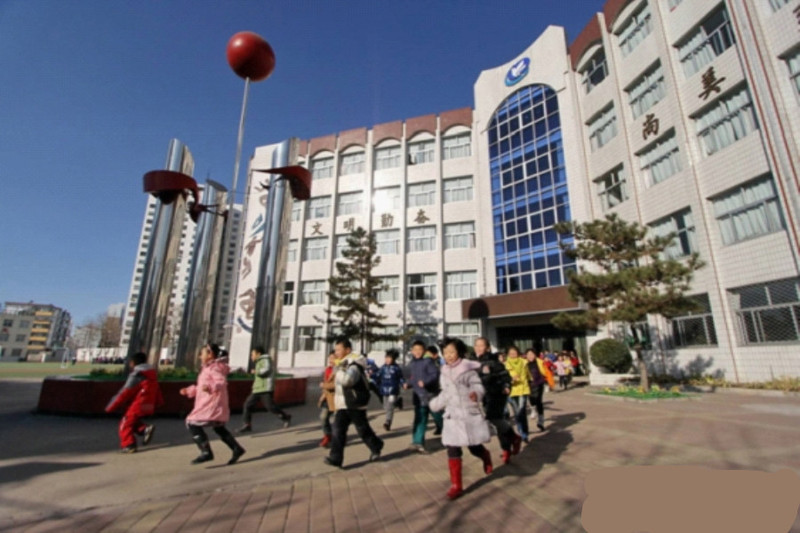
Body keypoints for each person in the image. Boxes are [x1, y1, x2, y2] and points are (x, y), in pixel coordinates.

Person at [430, 337, 493, 500]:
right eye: (446, 353)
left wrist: (476, 394)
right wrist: (436, 404)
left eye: (452, 352)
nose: (449, 355)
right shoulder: (444, 371)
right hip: (452, 416)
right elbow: (446, 392)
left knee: (474, 448)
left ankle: (485, 456)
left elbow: (477, 386)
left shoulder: (467, 369)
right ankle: (456, 485)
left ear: (459, 352)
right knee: (452, 448)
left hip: (467, 414)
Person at [180, 344, 245, 465]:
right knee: (218, 427)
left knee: (191, 422)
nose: (200, 356)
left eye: (202, 353)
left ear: (210, 355)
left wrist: (210, 387)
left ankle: (206, 452)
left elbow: (221, 382)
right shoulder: (208, 369)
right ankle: (236, 448)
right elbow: (202, 387)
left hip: (211, 404)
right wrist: (189, 391)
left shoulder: (214, 368)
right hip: (211, 402)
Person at [324, 338, 384, 468]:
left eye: (339, 349)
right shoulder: (341, 364)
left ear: (348, 350)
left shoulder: (354, 365)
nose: (336, 352)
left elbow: (347, 381)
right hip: (343, 404)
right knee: (337, 430)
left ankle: (376, 445)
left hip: (355, 404)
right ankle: (335, 458)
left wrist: (339, 369)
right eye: (335, 350)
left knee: (362, 430)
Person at [474, 337, 520, 464]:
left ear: (488, 348)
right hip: (483, 396)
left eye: (481, 345)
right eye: (476, 345)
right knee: (495, 421)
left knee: (495, 419)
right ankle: (510, 443)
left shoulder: (494, 361)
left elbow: (505, 376)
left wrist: (506, 386)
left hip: (496, 394)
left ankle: (510, 444)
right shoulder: (473, 362)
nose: (479, 348)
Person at [105, 351, 162, 453]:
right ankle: (144, 429)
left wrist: (111, 406)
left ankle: (129, 445)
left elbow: (125, 392)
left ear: (133, 362)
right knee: (132, 421)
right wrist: (158, 402)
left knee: (125, 424)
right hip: (148, 404)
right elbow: (156, 390)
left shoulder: (137, 375)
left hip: (139, 404)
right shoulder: (151, 374)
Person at [236, 346, 291, 434]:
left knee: (270, 407)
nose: (251, 356)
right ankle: (247, 425)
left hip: (265, 388)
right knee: (247, 405)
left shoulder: (265, 359)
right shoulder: (259, 361)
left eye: (253, 354)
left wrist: (256, 371)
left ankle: (286, 417)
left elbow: (266, 369)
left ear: (258, 354)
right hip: (257, 388)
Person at [404, 340, 441, 453]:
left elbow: (435, 375)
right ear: (411, 351)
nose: (417, 352)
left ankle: (449, 433)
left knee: (439, 417)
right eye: (415, 350)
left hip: (430, 395)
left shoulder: (428, 362)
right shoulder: (412, 364)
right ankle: (417, 442)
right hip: (419, 397)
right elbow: (412, 378)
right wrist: (408, 384)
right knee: (420, 419)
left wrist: (425, 382)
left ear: (424, 351)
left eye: (420, 349)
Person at [505, 346, 532, 442]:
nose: (513, 354)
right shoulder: (505, 365)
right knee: (517, 413)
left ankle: (524, 433)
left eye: (514, 352)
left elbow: (528, 375)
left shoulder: (524, 362)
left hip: (523, 390)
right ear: (508, 354)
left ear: (518, 353)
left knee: (521, 412)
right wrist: (511, 379)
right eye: (511, 353)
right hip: (511, 391)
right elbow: (504, 378)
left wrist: (532, 382)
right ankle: (521, 432)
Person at [377, 349, 405, 431]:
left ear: (393, 359)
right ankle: (398, 402)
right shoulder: (383, 367)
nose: (387, 360)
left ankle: (388, 422)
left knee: (390, 407)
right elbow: (378, 375)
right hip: (384, 390)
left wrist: (403, 384)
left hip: (393, 390)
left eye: (389, 358)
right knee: (385, 406)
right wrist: (371, 375)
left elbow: (401, 378)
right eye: (386, 358)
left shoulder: (396, 368)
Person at [525, 349, 549, 432]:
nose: (530, 356)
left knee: (539, 401)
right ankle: (533, 410)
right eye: (528, 354)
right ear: (526, 356)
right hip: (529, 385)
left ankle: (541, 421)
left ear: (535, 355)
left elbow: (546, 370)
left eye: (532, 354)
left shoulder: (540, 362)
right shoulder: (524, 363)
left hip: (539, 384)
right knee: (531, 400)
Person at [318, 351, 337, 448]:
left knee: (338, 420)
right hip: (327, 397)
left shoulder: (339, 370)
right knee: (323, 417)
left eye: (332, 358)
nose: (330, 360)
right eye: (329, 358)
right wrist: (323, 395)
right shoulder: (328, 369)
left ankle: (337, 438)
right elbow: (326, 382)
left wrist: (324, 385)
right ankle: (327, 435)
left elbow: (337, 384)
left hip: (336, 398)